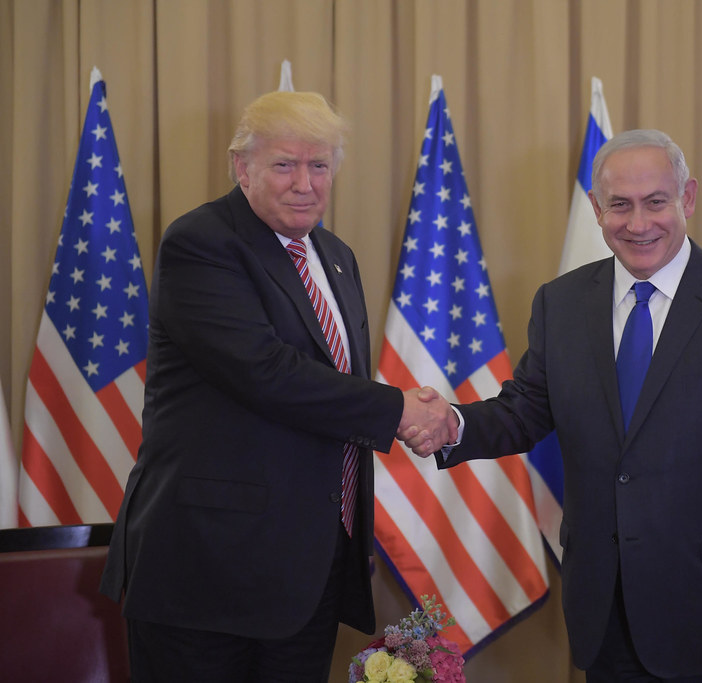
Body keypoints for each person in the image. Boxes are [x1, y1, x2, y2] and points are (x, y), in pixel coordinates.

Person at [403, 129, 702, 681]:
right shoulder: (562, 302)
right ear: (597, 210)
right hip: (605, 609)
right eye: (619, 206)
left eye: (656, 202)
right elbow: (523, 410)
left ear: (687, 199)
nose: (639, 223)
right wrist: (450, 423)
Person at [100, 90, 453, 682]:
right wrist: (397, 409)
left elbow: (334, 384)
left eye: (319, 165)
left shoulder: (335, 256)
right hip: (208, 570)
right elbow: (265, 372)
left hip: (307, 569)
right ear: (243, 167)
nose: (304, 183)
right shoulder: (203, 243)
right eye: (284, 164)